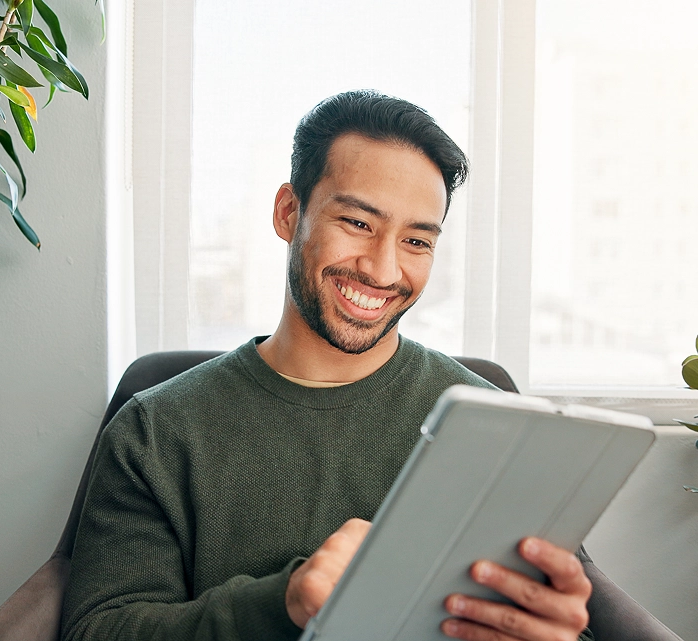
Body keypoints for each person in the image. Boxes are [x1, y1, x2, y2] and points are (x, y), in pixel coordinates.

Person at [61, 91, 592, 641]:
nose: (384, 270)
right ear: (288, 213)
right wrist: (282, 602)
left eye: (415, 240)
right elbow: (99, 631)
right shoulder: (154, 430)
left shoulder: (503, 427)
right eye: (359, 223)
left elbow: (559, 620)